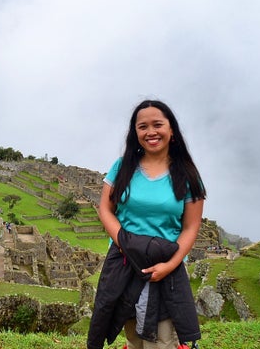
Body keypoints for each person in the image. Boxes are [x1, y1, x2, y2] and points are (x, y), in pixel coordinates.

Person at [87, 100, 206, 349]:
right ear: (135, 133)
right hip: (124, 265)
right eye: (142, 127)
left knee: (162, 339)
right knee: (133, 336)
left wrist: (170, 265)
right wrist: (124, 242)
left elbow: (190, 227)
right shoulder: (122, 167)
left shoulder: (187, 175)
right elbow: (105, 209)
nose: (150, 132)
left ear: (171, 130)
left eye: (157, 124)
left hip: (164, 269)